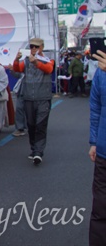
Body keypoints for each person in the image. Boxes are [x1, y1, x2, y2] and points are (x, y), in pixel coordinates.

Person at [12, 37, 54, 165]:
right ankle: (33, 149)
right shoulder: (26, 60)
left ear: (42, 47)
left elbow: (49, 69)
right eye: (31, 47)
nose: (34, 49)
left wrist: (36, 63)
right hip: (29, 97)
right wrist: (16, 59)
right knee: (31, 125)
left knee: (41, 125)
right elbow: (17, 69)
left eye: (36, 47)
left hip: (43, 98)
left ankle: (38, 152)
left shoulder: (49, 59)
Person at [89, 49, 106, 246]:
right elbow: (95, 107)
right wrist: (93, 141)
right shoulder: (101, 71)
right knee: (100, 209)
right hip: (103, 150)